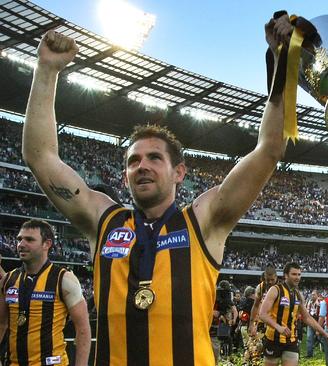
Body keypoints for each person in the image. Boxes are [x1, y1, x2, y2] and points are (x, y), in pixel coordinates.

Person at [21, 13, 293, 365]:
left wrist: (281, 63)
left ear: (179, 172)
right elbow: (39, 155)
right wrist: (46, 70)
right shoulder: (104, 220)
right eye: (133, 161)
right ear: (124, 176)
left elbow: (270, 149)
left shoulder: (203, 220)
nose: (142, 166)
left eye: (154, 158)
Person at [0, 220, 91, 366]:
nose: (21, 244)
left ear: (46, 244)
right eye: (19, 239)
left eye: (29, 239)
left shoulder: (64, 279)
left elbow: (83, 329)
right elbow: (1, 323)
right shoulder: (8, 279)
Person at [259, 263, 328, 366]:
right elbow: (262, 314)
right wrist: (278, 327)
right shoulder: (275, 290)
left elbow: (307, 317)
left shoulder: (298, 295)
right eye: (294, 274)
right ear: (286, 275)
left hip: (291, 340)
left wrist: (324, 333)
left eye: (299, 274)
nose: (297, 277)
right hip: (273, 339)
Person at [251, 265, 279, 340]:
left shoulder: (282, 287)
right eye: (267, 280)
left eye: (272, 280)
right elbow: (256, 306)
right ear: (264, 277)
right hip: (262, 322)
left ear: (276, 277)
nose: (270, 282)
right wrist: (252, 324)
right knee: (258, 347)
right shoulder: (261, 287)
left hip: (277, 322)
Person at [305, 289, 321, 358]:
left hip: (318, 322)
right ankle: (309, 354)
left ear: (317, 295)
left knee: (322, 338)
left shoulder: (320, 302)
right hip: (311, 322)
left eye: (314, 294)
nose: (312, 296)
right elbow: (307, 311)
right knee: (309, 338)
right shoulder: (309, 302)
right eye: (312, 294)